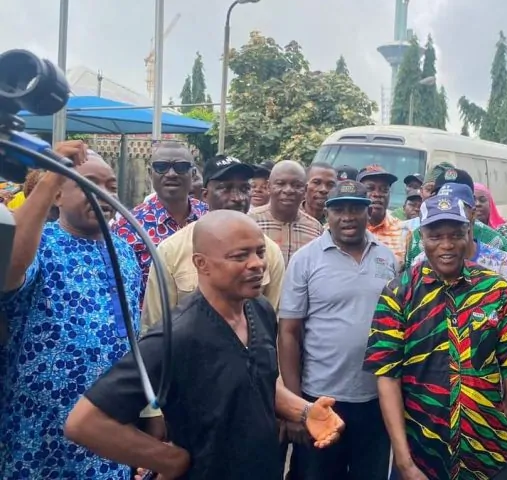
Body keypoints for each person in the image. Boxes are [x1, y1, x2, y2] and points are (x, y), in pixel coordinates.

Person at [64, 211, 345, 479]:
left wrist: (304, 411)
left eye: (260, 252)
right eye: (240, 256)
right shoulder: (176, 337)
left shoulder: (260, 310)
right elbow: (85, 422)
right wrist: (167, 459)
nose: (257, 264)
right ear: (201, 264)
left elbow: (257, 379)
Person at [365, 195, 507, 480]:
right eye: (435, 236)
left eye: (456, 235)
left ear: (468, 233)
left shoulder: (495, 290)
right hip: (423, 454)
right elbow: (387, 377)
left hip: (487, 451)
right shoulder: (398, 293)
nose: (446, 245)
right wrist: (404, 462)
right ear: (422, 238)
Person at [1, 142, 142, 479]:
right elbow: (7, 266)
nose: (102, 193)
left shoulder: (124, 251)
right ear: (58, 196)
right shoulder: (42, 244)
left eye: (110, 187)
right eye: (87, 184)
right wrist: (52, 174)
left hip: (109, 429)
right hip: (39, 435)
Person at [280, 180, 397, 479]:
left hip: (375, 400)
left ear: (368, 212)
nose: (347, 217)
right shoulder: (305, 260)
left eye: (355, 209)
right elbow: (289, 333)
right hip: (320, 398)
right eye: (339, 209)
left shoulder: (387, 257)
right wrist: (296, 407)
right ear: (327, 214)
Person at [142, 155, 285, 334]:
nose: (238, 198)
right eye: (225, 188)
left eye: (244, 188)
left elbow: (273, 324)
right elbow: (156, 326)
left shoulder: (269, 251)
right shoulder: (171, 250)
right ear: (205, 195)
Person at [411, 183, 507, 325]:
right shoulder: (419, 264)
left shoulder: (503, 263)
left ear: (473, 213)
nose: (450, 211)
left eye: (458, 206)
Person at [112, 142, 208, 301]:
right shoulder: (127, 228)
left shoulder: (209, 217)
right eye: (161, 167)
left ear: (193, 174)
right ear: (150, 174)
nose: (171, 174)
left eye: (181, 167)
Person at [403, 167, 507, 269]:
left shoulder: (495, 242)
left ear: (472, 209)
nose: (446, 246)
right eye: (435, 237)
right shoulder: (418, 243)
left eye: (459, 204)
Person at [250, 160, 323, 265]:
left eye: (297, 185)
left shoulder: (315, 229)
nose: (288, 190)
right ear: (269, 186)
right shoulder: (250, 222)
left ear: (305, 190)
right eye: (280, 184)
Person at [358, 165, 405, 264]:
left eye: (384, 190)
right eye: (370, 188)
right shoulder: (342, 229)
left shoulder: (404, 232)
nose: (377, 194)